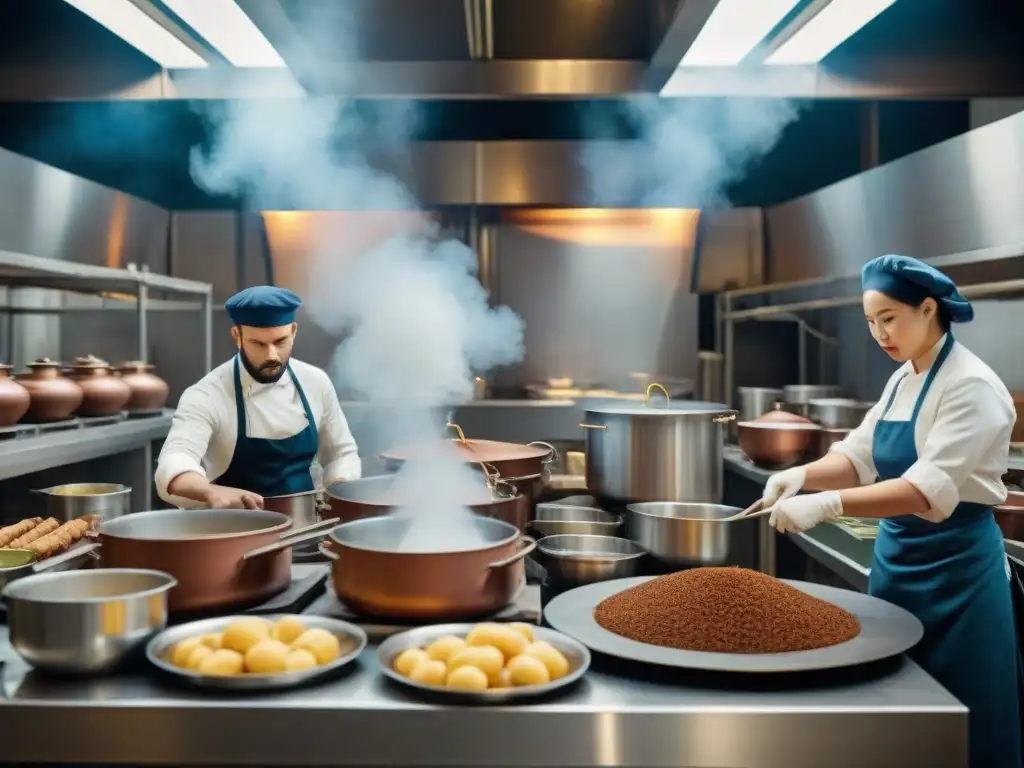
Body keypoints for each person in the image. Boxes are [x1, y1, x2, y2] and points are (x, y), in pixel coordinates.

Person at [762, 254, 1022, 768]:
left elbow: (925, 491)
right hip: (898, 564)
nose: (879, 333)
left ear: (928, 309)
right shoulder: (903, 379)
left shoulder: (972, 386)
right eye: (870, 322)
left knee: (967, 719)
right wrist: (803, 476)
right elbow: (858, 456)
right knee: (899, 711)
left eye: (889, 318)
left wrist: (828, 504)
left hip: (959, 576)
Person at [156, 285, 361, 510]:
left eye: (280, 342)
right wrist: (209, 491)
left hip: (307, 528)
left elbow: (341, 453)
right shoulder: (207, 395)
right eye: (258, 344)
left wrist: (338, 488)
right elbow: (175, 460)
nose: (271, 356)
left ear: (293, 331)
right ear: (237, 336)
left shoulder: (315, 382)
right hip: (236, 532)